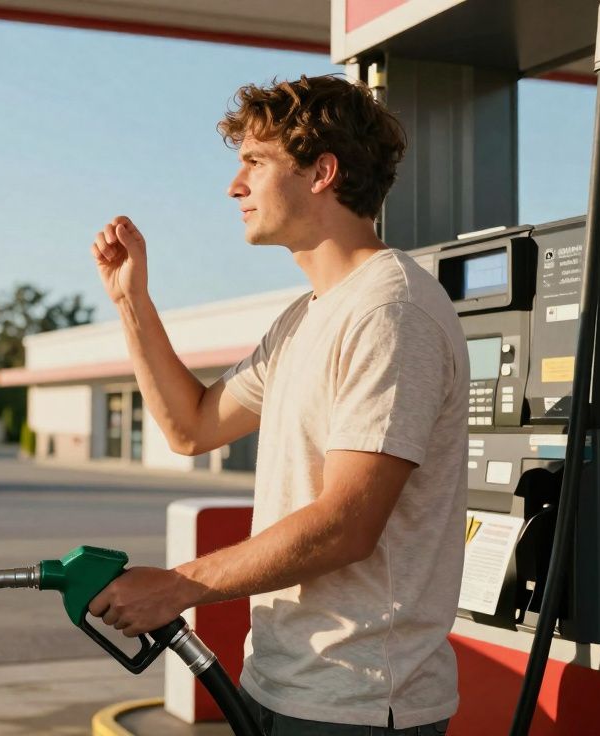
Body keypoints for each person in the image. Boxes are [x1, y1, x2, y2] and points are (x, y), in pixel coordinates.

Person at [86, 74, 467, 734]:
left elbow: (347, 523)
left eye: (254, 163)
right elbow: (192, 427)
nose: (235, 188)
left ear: (322, 172)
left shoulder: (391, 312)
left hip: (359, 702)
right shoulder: (304, 318)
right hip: (282, 680)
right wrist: (130, 302)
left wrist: (178, 585)